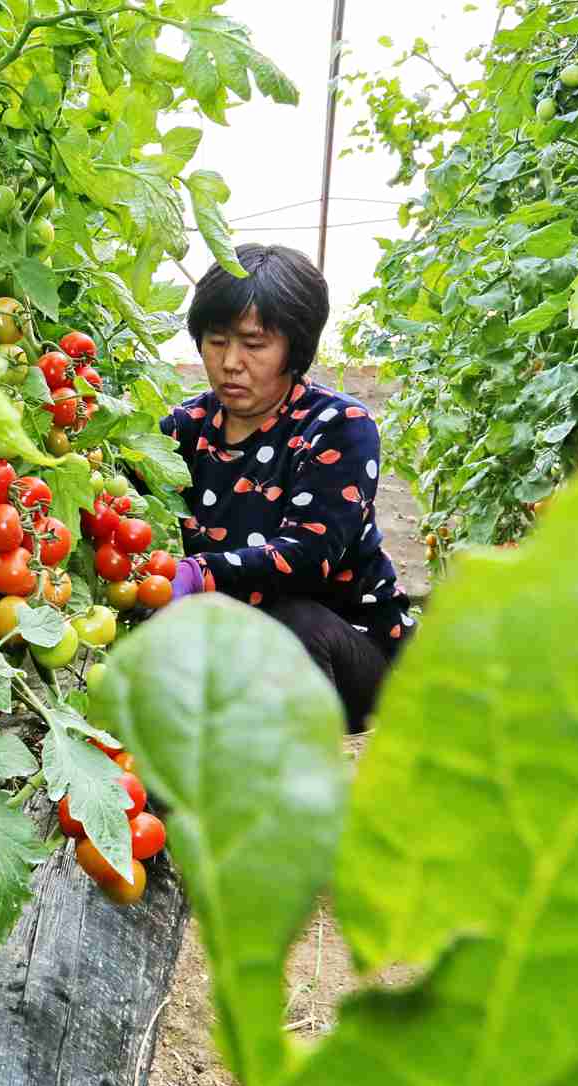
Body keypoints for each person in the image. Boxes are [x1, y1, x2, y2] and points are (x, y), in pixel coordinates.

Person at [150, 243, 416, 731]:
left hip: (352, 650)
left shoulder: (338, 426)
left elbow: (311, 557)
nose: (231, 361)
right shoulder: (181, 430)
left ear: (294, 348)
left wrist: (197, 573)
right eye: (216, 340)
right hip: (236, 651)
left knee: (294, 621)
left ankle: (292, 792)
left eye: (253, 345)